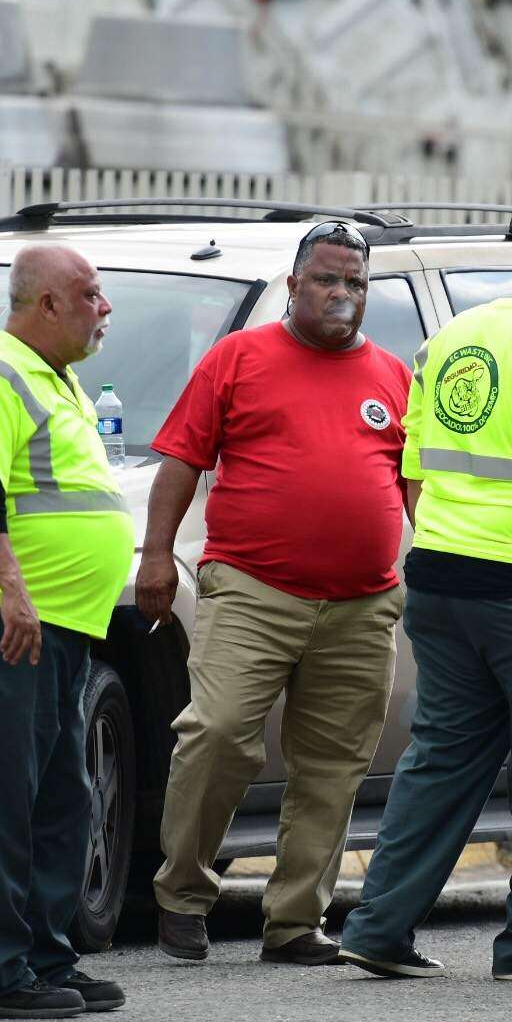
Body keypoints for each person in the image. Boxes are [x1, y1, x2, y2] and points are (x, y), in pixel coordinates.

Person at [339, 186, 512, 982]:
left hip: (442, 579)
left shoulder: (449, 340)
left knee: (442, 760)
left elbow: (414, 465)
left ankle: (378, 926)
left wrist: (450, 543)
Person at [138, 221, 412, 965]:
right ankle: (182, 894)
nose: (341, 293)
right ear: (294, 285)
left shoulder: (393, 376)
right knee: (218, 732)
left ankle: (294, 922)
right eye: (326, 279)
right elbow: (180, 461)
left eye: (354, 282)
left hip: (362, 603)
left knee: (334, 763)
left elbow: (414, 486)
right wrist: (157, 554)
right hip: (252, 589)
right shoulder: (238, 357)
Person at [0, 243, 132, 1019]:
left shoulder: (59, 381)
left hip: (61, 627)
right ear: (47, 304)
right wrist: (14, 591)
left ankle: (46, 958)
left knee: (59, 799)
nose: (104, 309)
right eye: (91, 294)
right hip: (5, 624)